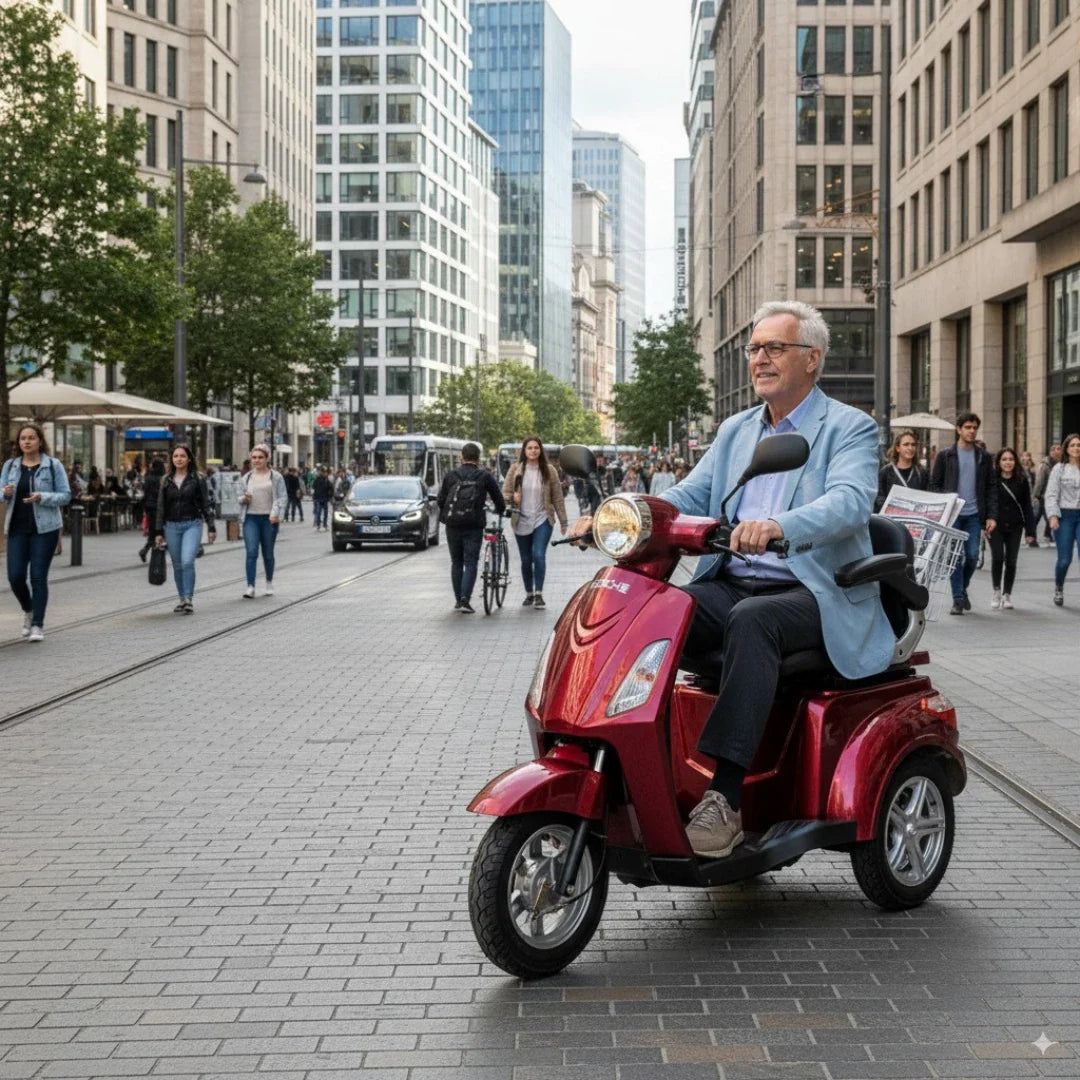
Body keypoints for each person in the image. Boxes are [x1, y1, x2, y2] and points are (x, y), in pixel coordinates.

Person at [570, 300, 894, 859]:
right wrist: (619, 516)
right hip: (735, 581)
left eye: (774, 348)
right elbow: (687, 496)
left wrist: (778, 525)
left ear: (811, 358)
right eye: (754, 349)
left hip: (815, 590)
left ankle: (724, 799)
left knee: (752, 621)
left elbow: (848, 503)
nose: (759, 359)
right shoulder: (737, 430)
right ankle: (647, 765)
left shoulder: (849, 427)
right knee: (654, 611)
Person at [1, 424, 72, 642]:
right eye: (23, 438)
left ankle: (37, 625)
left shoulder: (53, 465)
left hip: (46, 529)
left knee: (38, 577)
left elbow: (66, 495)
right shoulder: (11, 466)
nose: (27, 442)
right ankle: (29, 609)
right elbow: (1, 493)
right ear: (19, 443)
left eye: (31, 438)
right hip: (17, 528)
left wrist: (43, 497)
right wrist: (5, 492)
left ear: (40, 441)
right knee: (15, 577)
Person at [929, 412, 997, 616]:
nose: (971, 431)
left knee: (972, 556)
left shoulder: (983, 457)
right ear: (958, 429)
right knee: (954, 557)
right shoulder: (946, 455)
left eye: (974, 427)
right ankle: (957, 599)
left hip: (975, 515)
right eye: (967, 427)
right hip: (953, 515)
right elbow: (934, 485)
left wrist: (991, 515)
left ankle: (962, 588)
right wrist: (946, 502)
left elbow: (991, 487)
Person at [438, 442, 505, 614]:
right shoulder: (484, 475)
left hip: (452, 525)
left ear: (462, 456)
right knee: (470, 562)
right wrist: (500, 509)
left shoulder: (451, 475)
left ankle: (457, 599)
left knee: (456, 562)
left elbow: (441, 500)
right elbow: (498, 499)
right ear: (478, 458)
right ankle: (464, 600)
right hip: (474, 525)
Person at [502, 437, 568, 609]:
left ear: (541, 450)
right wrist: (512, 499)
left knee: (538, 554)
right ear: (524, 451)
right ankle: (528, 593)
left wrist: (563, 521)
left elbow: (557, 497)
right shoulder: (515, 470)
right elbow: (506, 493)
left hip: (542, 518)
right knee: (526, 559)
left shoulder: (549, 470)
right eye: (529, 448)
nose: (533, 451)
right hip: (521, 519)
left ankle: (539, 594)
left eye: (536, 448)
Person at [153, 444, 216, 614]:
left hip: (192, 524)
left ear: (189, 459)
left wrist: (211, 527)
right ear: (172, 460)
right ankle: (182, 598)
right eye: (175, 456)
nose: (178, 459)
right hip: (171, 526)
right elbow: (160, 507)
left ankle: (188, 598)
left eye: (182, 456)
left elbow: (205, 504)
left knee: (188, 561)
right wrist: (158, 531)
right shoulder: (166, 481)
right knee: (178, 564)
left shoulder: (197, 478)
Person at [237, 443, 287, 598]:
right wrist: (244, 498)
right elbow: (238, 498)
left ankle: (269, 582)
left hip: (269, 519)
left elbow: (282, 497)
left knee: (268, 553)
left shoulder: (276, 477)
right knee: (251, 552)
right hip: (250, 518)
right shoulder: (246, 478)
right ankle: (250, 586)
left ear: (267, 459)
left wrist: (276, 514)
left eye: (260, 457)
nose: (257, 460)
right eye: (254, 457)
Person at [988, 447, 1035, 610]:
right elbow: (987, 503)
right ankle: (996, 591)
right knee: (998, 557)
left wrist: (1030, 531)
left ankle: (1007, 594)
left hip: (1015, 526)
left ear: (1015, 462)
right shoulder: (992, 480)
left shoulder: (1021, 481)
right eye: (1004, 459)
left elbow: (1027, 507)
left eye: (1011, 459)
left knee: (1011, 560)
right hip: (995, 525)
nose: (1008, 462)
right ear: (998, 462)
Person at [1044, 433, 1080, 607]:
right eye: (1072, 445)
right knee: (1065, 559)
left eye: (1079, 445)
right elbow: (1051, 494)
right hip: (1065, 515)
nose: (1076, 448)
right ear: (1067, 448)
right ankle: (1059, 586)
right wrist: (1052, 516)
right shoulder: (1060, 468)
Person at [875, 429, 929, 511]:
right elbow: (879, 498)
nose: (910, 448)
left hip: (915, 519)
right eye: (906, 444)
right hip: (892, 520)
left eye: (913, 445)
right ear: (898, 448)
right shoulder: (886, 472)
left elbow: (928, 496)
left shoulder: (922, 472)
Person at [1033, 443, 1063, 547]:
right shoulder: (1045, 465)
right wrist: (1036, 495)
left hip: (1055, 497)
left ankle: (1048, 535)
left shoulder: (1060, 464)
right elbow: (1040, 481)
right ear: (1051, 452)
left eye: (1059, 449)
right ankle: (1033, 537)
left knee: (1047, 517)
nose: (1057, 451)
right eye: (1055, 449)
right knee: (1040, 517)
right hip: (1043, 497)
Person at [138, 458, 166, 562]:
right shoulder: (163, 479)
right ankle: (148, 551)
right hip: (159, 508)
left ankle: (147, 550)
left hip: (149, 507)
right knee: (158, 531)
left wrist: (145, 507)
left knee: (153, 530)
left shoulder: (148, 478)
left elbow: (145, 493)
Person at [311, 466, 333, 531]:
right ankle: (321, 525)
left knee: (321, 513)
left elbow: (330, 488)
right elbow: (314, 487)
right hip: (321, 498)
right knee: (320, 512)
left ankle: (322, 525)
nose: (325, 474)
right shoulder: (320, 479)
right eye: (325, 472)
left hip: (322, 498)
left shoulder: (324, 479)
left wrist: (329, 495)